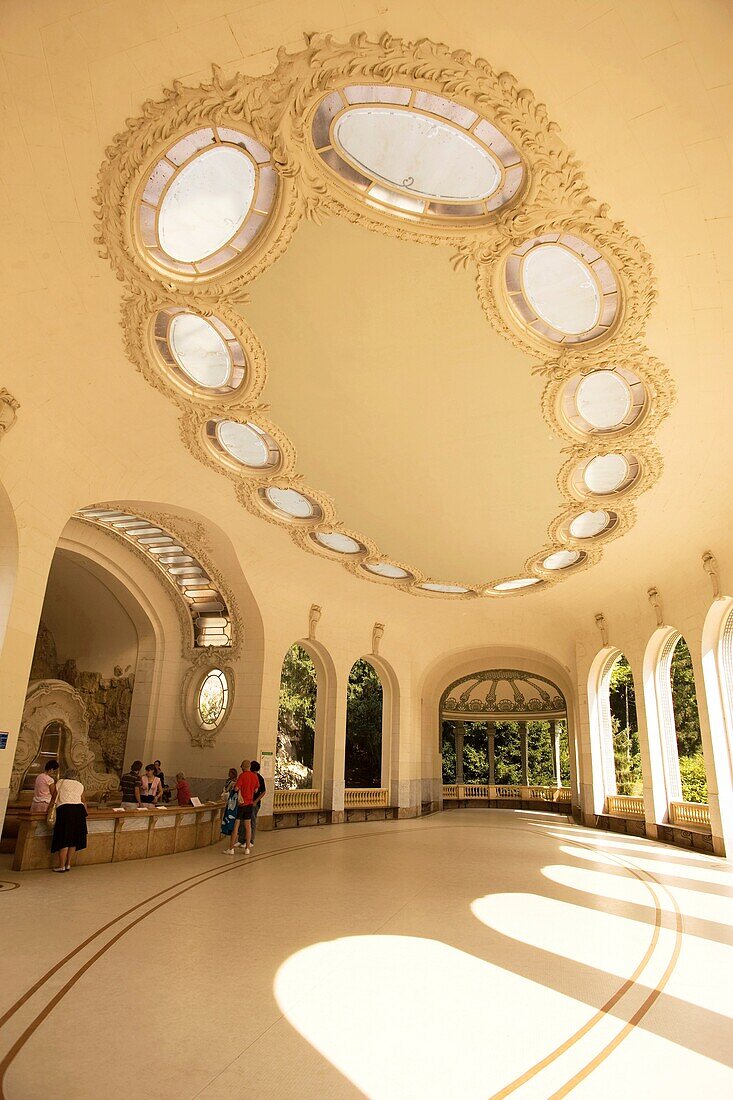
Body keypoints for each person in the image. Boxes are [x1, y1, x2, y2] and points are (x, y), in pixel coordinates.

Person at [51, 768, 87, 872]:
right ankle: (68, 864)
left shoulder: (61, 782)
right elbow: (83, 800)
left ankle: (61, 865)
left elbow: (54, 797)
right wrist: (86, 813)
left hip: (65, 810)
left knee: (64, 839)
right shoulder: (80, 785)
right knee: (73, 840)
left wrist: (49, 810)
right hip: (79, 810)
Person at [224, 760, 259, 856]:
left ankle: (231, 848)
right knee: (248, 826)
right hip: (250, 804)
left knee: (236, 826)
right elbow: (256, 789)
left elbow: (236, 789)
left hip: (241, 804)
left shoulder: (242, 776)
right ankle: (247, 848)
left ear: (243, 767)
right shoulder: (254, 776)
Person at [249, 760, 266, 848]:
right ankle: (242, 839)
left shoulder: (260, 778)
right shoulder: (249, 776)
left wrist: (255, 801)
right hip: (247, 802)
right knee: (243, 821)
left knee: (252, 821)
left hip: (254, 803)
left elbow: (263, 791)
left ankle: (251, 840)